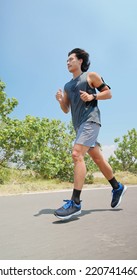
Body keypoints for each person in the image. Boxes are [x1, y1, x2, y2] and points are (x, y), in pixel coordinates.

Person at [55, 48, 127, 220]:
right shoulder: (67, 86)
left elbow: (108, 93)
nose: (68, 62)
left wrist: (93, 97)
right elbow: (66, 110)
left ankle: (75, 202)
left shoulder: (90, 76)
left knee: (76, 154)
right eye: (66, 60)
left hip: (91, 121)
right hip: (79, 126)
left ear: (80, 61)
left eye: (71, 59)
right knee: (97, 159)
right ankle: (117, 187)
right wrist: (60, 101)